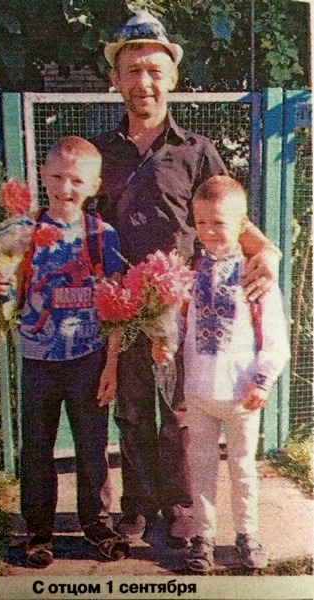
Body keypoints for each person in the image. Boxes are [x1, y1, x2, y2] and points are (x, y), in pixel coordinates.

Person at [91, 10, 282, 547]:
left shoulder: (196, 151)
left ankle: (180, 506)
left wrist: (269, 252)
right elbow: (74, 226)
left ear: (172, 77)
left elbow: (232, 219)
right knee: (131, 411)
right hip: (124, 310)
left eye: (154, 70)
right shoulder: (100, 153)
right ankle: (136, 506)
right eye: (132, 70)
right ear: (116, 79)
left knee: (181, 413)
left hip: (188, 312)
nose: (144, 82)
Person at [0, 136, 129, 567]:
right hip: (38, 359)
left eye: (76, 180)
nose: (65, 188)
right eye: (56, 177)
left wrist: (111, 364)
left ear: (94, 185)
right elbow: (7, 290)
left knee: (92, 448)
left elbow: (116, 308)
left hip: (89, 359)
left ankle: (98, 526)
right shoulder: (21, 231)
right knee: (37, 449)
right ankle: (38, 532)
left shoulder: (102, 235)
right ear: (43, 176)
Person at [170, 175, 289, 571]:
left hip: (242, 394)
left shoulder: (255, 274)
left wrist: (262, 380)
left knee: (242, 469)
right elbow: (179, 324)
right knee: (201, 470)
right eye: (200, 222)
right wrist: (164, 340)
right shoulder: (190, 272)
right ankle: (202, 537)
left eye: (218, 223)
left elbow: (275, 337)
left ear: (241, 225)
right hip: (199, 392)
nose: (208, 232)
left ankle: (247, 534)